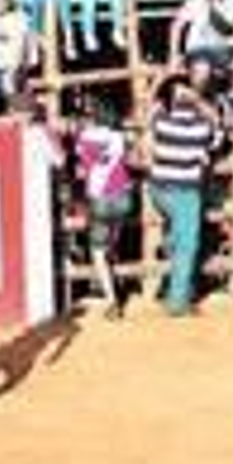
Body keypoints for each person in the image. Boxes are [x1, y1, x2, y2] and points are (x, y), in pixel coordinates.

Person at [147, 74, 219, 317]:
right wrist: (198, 99)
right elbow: (216, 123)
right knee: (188, 245)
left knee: (179, 237)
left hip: (158, 190)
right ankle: (177, 301)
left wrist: (162, 81)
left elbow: (150, 105)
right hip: (185, 191)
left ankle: (176, 276)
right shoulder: (201, 127)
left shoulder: (161, 121)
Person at [74, 97, 132, 320]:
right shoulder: (118, 137)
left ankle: (111, 299)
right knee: (110, 244)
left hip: (100, 198)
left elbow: (81, 164)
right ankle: (114, 283)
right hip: (123, 195)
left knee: (98, 251)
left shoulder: (84, 138)